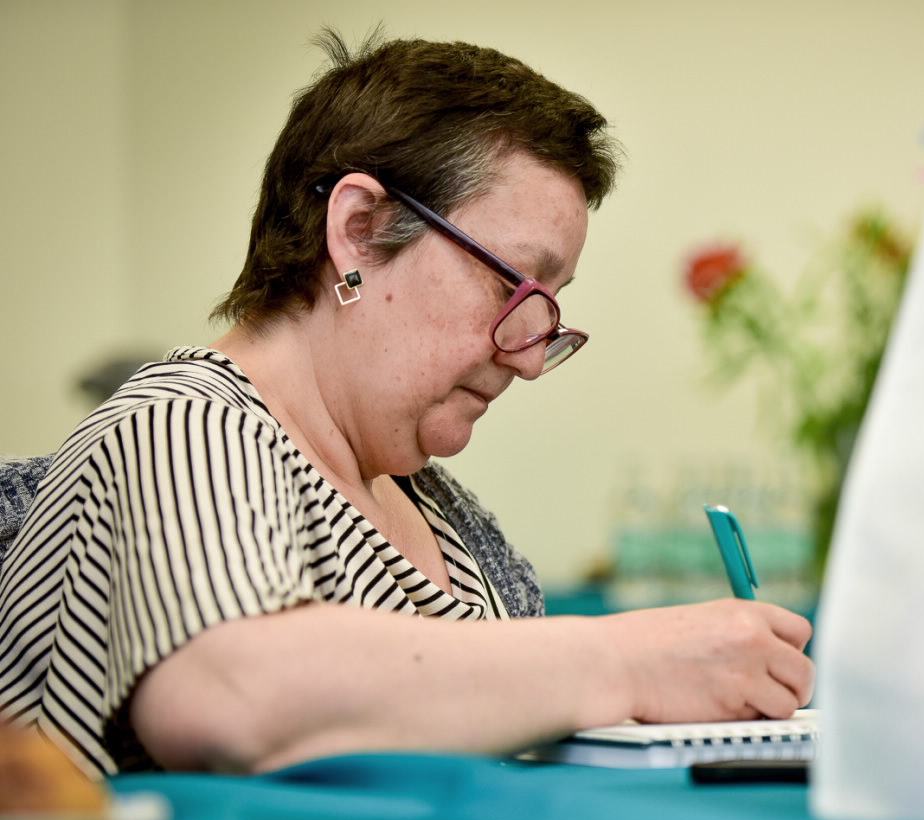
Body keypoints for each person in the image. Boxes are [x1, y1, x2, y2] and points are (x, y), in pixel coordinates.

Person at [0, 31, 814, 778]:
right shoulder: (180, 426)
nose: (530, 357)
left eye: (549, 308)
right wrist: (629, 661)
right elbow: (231, 699)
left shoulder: (449, 519)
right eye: (512, 287)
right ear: (358, 227)